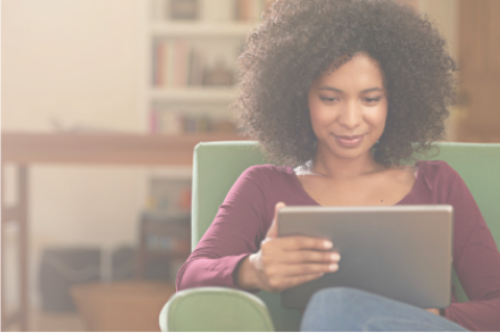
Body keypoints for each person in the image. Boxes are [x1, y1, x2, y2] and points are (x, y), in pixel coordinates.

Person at [176, 0, 500, 331]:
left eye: (370, 99)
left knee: (333, 303)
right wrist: (254, 269)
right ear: (301, 97)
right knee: (331, 306)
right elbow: (190, 278)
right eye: (330, 98)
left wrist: (433, 318)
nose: (350, 119)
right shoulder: (263, 186)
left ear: (395, 100)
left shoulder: (439, 183)